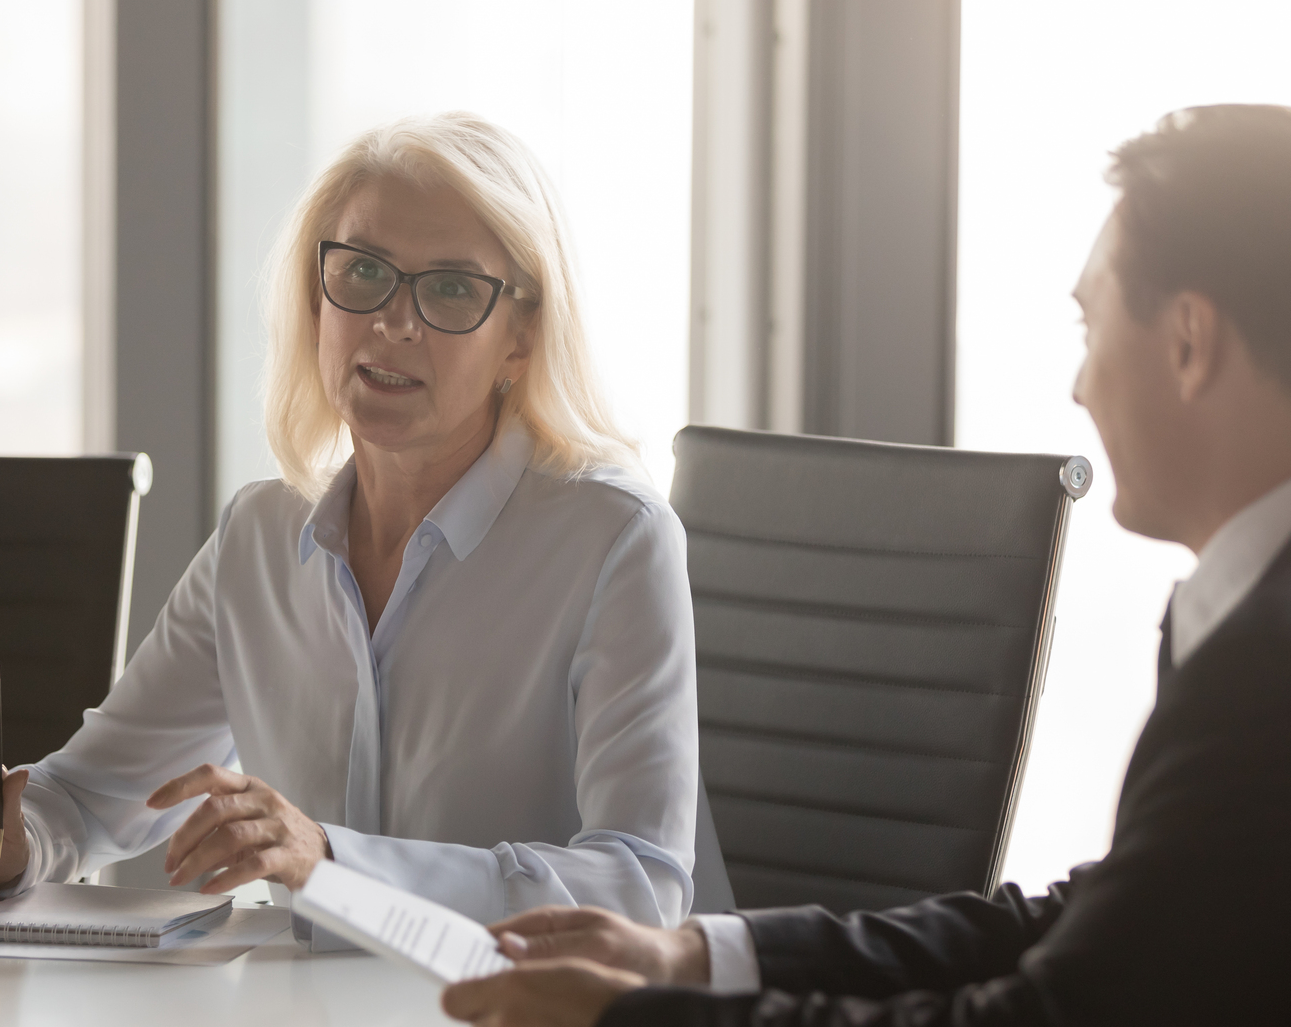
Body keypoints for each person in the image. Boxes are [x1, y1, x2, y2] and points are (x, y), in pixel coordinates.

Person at [441, 104, 1291, 1026]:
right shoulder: (1246, 632)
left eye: (1091, 327)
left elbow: (1052, 1014)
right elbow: (1098, 919)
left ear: (1189, 341)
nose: (1079, 386)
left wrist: (626, 1021)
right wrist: (694, 956)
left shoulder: (1262, 675)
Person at [0, 113, 700, 944]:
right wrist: (2, 851)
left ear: (520, 339)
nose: (394, 322)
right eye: (362, 272)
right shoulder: (260, 533)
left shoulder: (615, 539)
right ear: (317, 299)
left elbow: (640, 887)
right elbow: (97, 795)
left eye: (453, 288)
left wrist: (331, 864)